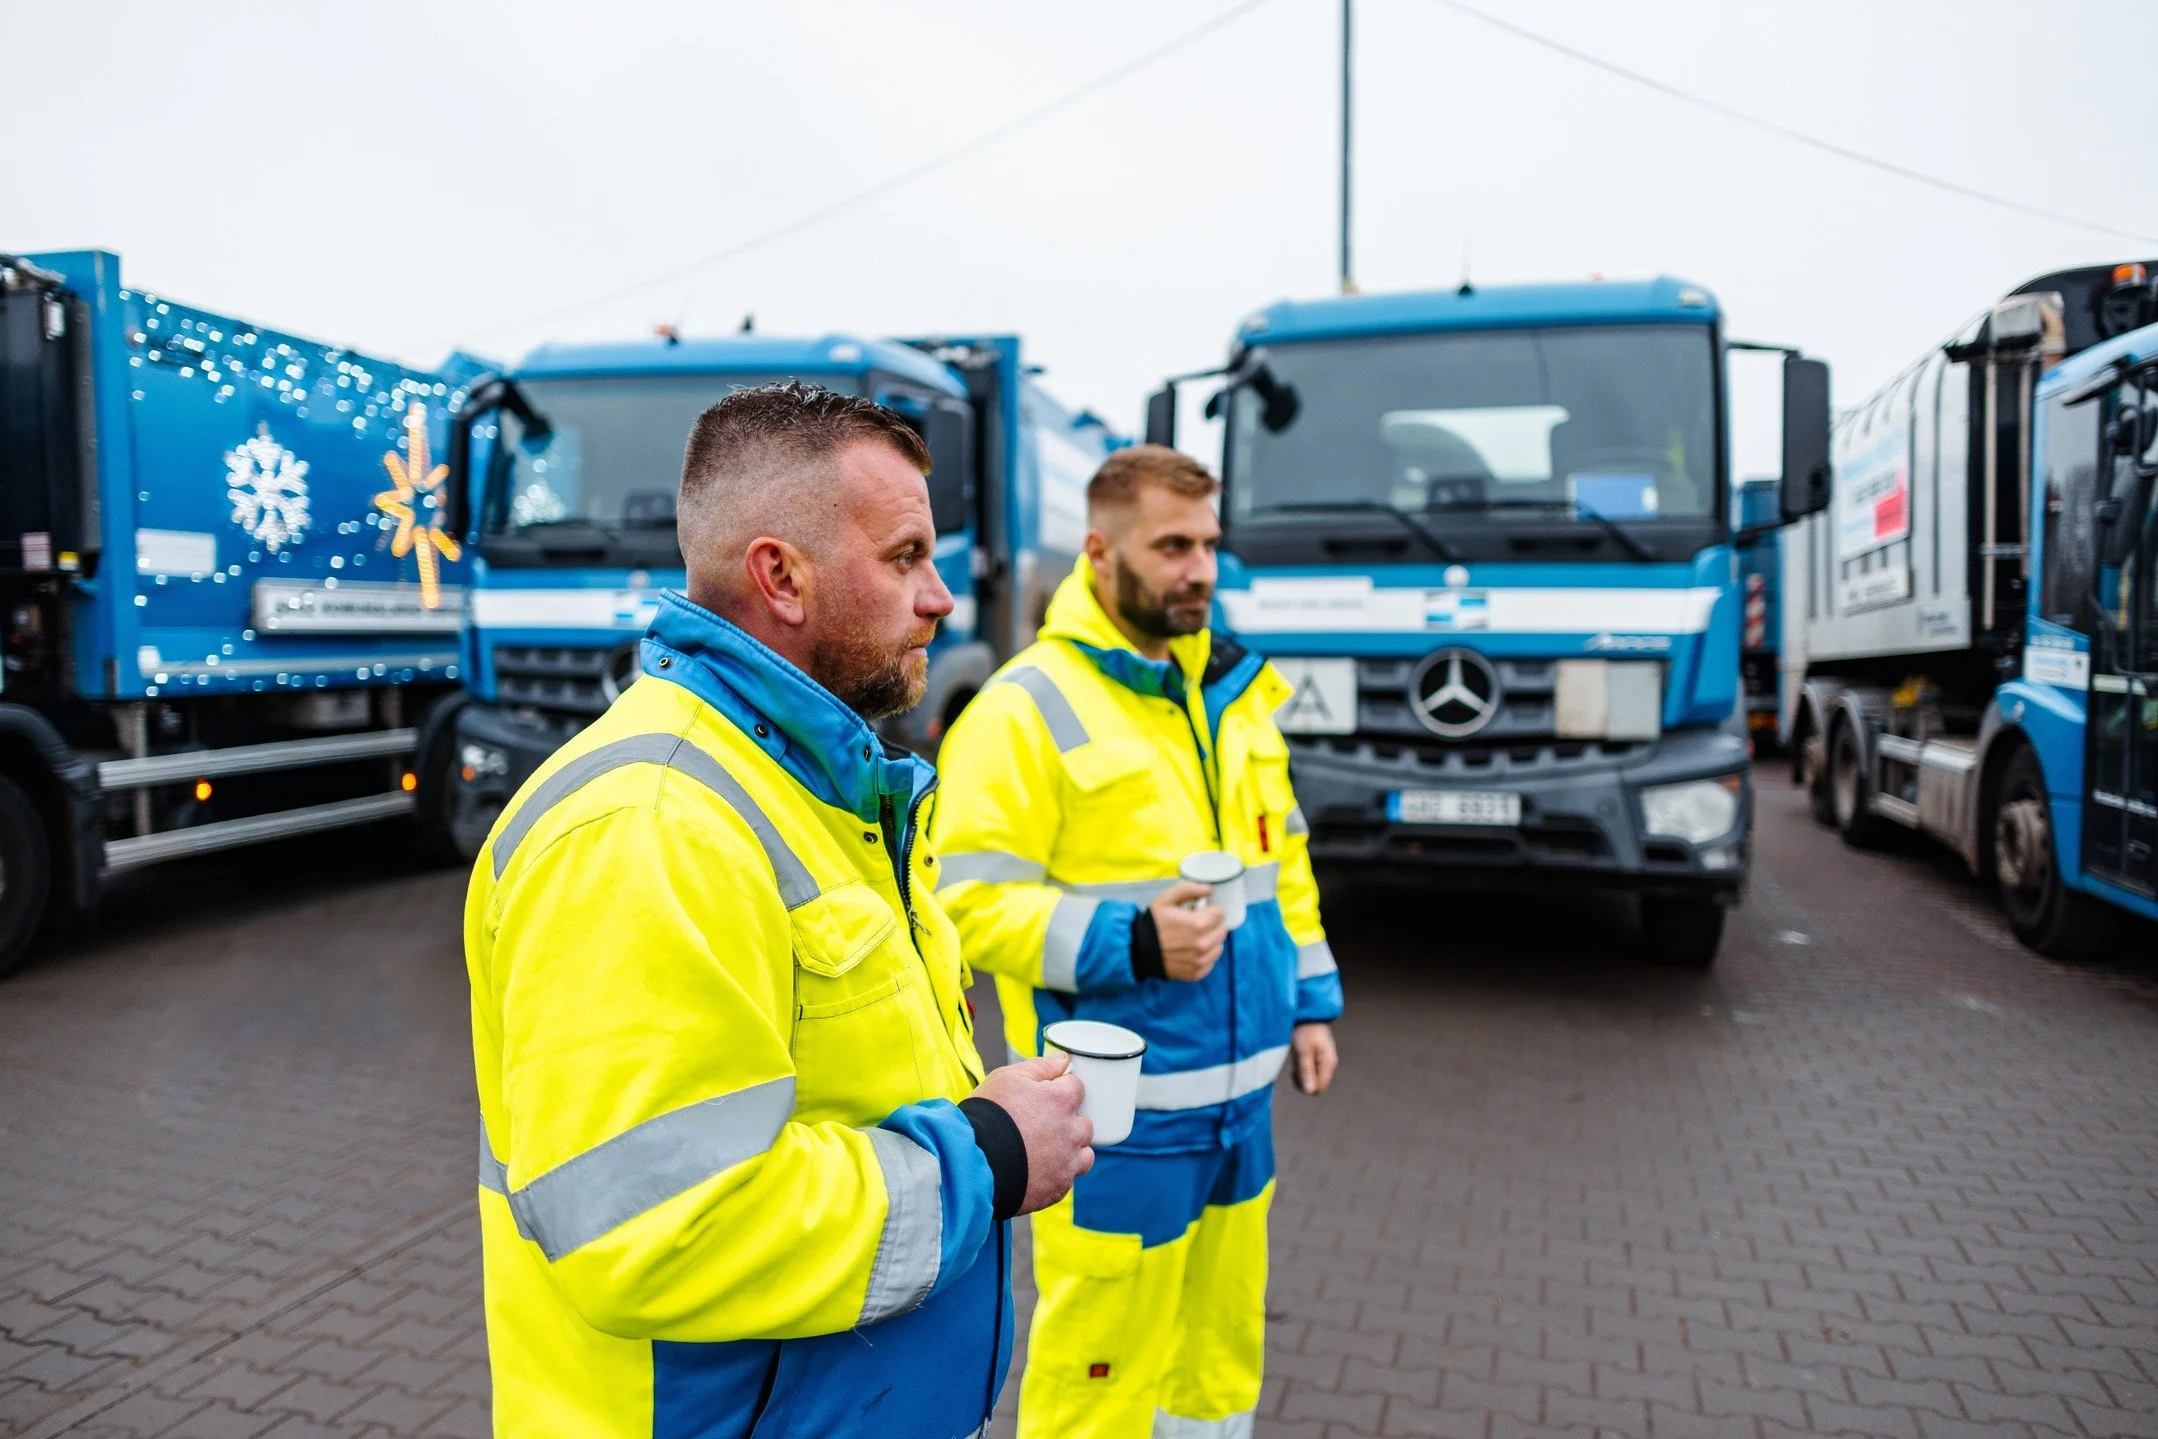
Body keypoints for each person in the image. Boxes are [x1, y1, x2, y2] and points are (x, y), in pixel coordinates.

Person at [464, 381, 1094, 1439]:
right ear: (781, 577)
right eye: (904, 558)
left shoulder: (806, 782)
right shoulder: (650, 824)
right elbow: (661, 1224)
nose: (940, 597)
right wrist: (985, 1150)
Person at [933, 444, 1344, 1438]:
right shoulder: (1023, 709)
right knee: (1098, 1379)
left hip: (1239, 1113)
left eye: (1208, 543)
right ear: (1098, 550)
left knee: (1214, 1363)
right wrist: (1133, 940)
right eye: (1171, 545)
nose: (1199, 567)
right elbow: (964, 905)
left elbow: (1280, 860)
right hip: (1114, 1130)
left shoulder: (1233, 693)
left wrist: (1314, 1004)